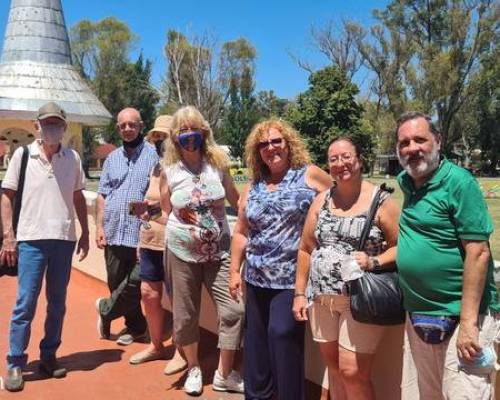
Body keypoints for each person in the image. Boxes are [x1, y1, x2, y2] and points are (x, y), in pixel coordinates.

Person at [395, 111, 500, 400]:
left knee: (463, 394)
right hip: (418, 315)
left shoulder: (459, 182)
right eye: (404, 142)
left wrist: (468, 325)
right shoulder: (407, 181)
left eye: (420, 139)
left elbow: (478, 253)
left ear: (438, 140)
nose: (412, 148)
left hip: (462, 319)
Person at [229, 119, 331, 400]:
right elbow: (240, 232)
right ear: (256, 151)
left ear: (289, 144)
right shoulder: (254, 185)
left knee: (283, 338)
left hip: (291, 280)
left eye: (276, 141)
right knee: (256, 347)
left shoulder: (308, 175)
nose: (270, 148)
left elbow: (339, 199)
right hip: (255, 279)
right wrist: (234, 272)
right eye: (263, 144)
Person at [292, 137, 400, 400]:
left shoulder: (382, 201)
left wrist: (374, 261)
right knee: (334, 367)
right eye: (333, 159)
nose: (340, 164)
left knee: (352, 371)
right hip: (321, 299)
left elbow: (402, 246)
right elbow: (306, 248)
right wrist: (298, 293)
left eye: (346, 157)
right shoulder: (322, 200)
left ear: (359, 160)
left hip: (360, 298)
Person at [0, 102, 89, 392]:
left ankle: (49, 356)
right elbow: (6, 197)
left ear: (64, 127)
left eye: (57, 123)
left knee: (58, 304)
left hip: (63, 239)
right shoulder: (22, 156)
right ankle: (15, 362)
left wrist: (85, 232)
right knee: (25, 303)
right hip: (31, 240)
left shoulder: (72, 158)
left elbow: (78, 197)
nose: (52, 128)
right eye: (46, 123)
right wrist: (8, 236)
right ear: (38, 126)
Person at [160, 105, 244, 396]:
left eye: (193, 128)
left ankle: (224, 373)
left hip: (219, 252)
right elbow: (166, 210)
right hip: (181, 252)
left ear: (204, 131)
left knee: (234, 310)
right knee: (185, 315)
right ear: (174, 136)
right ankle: (193, 367)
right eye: (182, 130)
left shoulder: (218, 164)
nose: (189, 135)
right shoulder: (168, 170)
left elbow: (236, 199)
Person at [127, 115, 187, 373]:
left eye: (165, 137)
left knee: (178, 301)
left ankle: (181, 351)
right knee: (149, 295)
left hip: (175, 244)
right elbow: (153, 204)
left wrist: (151, 212)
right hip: (150, 241)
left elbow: (182, 210)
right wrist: (144, 224)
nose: (161, 142)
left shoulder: (185, 168)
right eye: (157, 138)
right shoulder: (156, 168)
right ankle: (156, 345)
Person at [95, 107, 159, 346]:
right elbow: (102, 194)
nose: (128, 129)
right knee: (115, 282)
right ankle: (136, 326)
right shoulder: (112, 158)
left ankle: (104, 309)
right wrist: (99, 227)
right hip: (112, 231)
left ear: (141, 126)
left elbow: (159, 199)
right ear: (118, 129)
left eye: (132, 124)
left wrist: (147, 214)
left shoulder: (154, 156)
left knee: (135, 283)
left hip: (139, 234)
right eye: (123, 126)